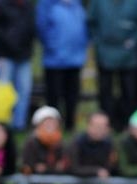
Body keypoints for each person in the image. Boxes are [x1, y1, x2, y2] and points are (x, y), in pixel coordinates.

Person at [87, 0, 137, 131]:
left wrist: (132, 41)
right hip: (105, 52)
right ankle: (105, 124)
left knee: (128, 91)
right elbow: (91, 24)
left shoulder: (136, 3)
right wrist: (98, 43)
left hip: (128, 55)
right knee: (105, 91)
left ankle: (127, 124)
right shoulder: (98, 3)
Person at [36, 0, 89, 131]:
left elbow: (83, 28)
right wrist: (52, 46)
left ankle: (70, 125)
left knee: (72, 95)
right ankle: (51, 126)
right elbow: (41, 27)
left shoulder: (77, 5)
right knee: (54, 95)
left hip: (75, 59)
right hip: (54, 60)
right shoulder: (47, 4)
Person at [0, 0, 36, 131]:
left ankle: (18, 125)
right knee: (3, 92)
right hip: (4, 55)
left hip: (23, 56)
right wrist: (8, 39)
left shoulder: (27, 5)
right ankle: (0, 125)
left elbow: (32, 27)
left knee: (24, 90)